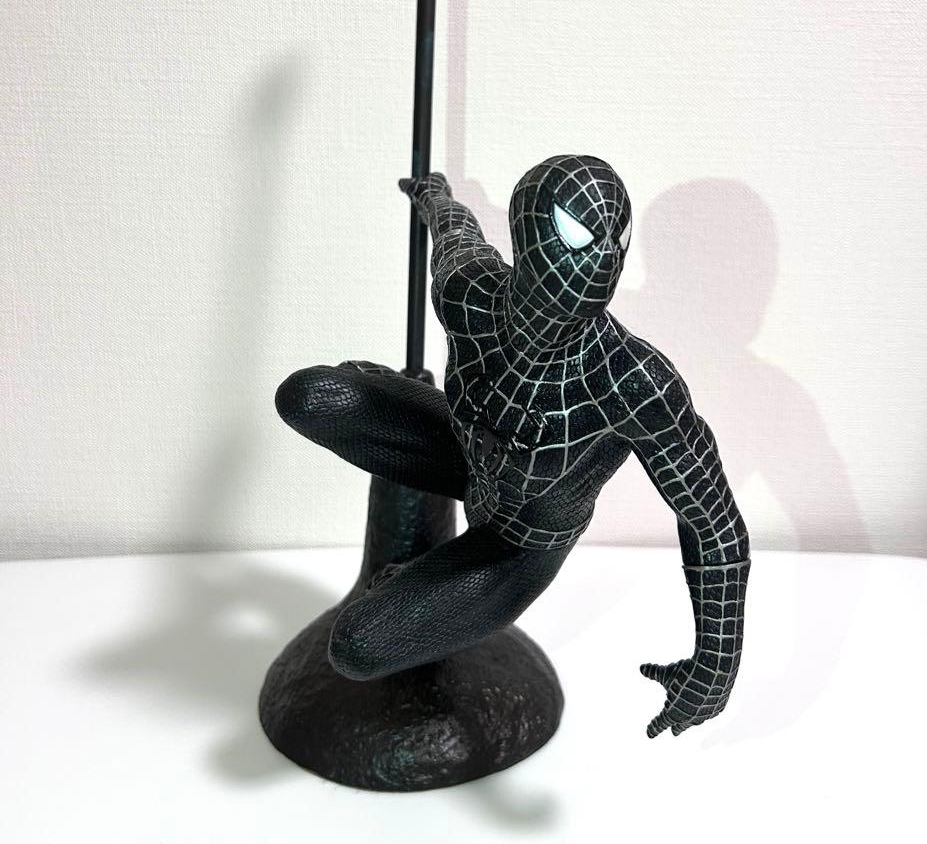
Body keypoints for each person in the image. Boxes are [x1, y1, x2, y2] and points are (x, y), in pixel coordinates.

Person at [275, 155, 750, 737]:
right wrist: (433, 194)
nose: (604, 258)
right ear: (528, 236)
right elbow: (455, 230)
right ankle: (386, 394)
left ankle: (427, 586)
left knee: (357, 645)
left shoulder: (633, 383)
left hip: (522, 541)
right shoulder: (468, 294)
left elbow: (713, 523)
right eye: (579, 234)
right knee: (309, 396)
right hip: (461, 450)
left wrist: (714, 669)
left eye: (617, 237)